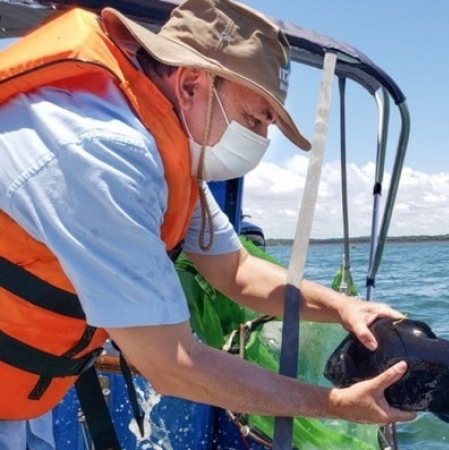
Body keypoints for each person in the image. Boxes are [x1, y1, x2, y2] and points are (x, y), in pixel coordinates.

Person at [0, 0, 416, 448]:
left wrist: (343, 308)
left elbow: (236, 271)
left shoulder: (170, 149)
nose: (261, 139)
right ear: (194, 83)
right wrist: (334, 403)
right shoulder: (102, 151)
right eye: (255, 118)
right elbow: (172, 364)